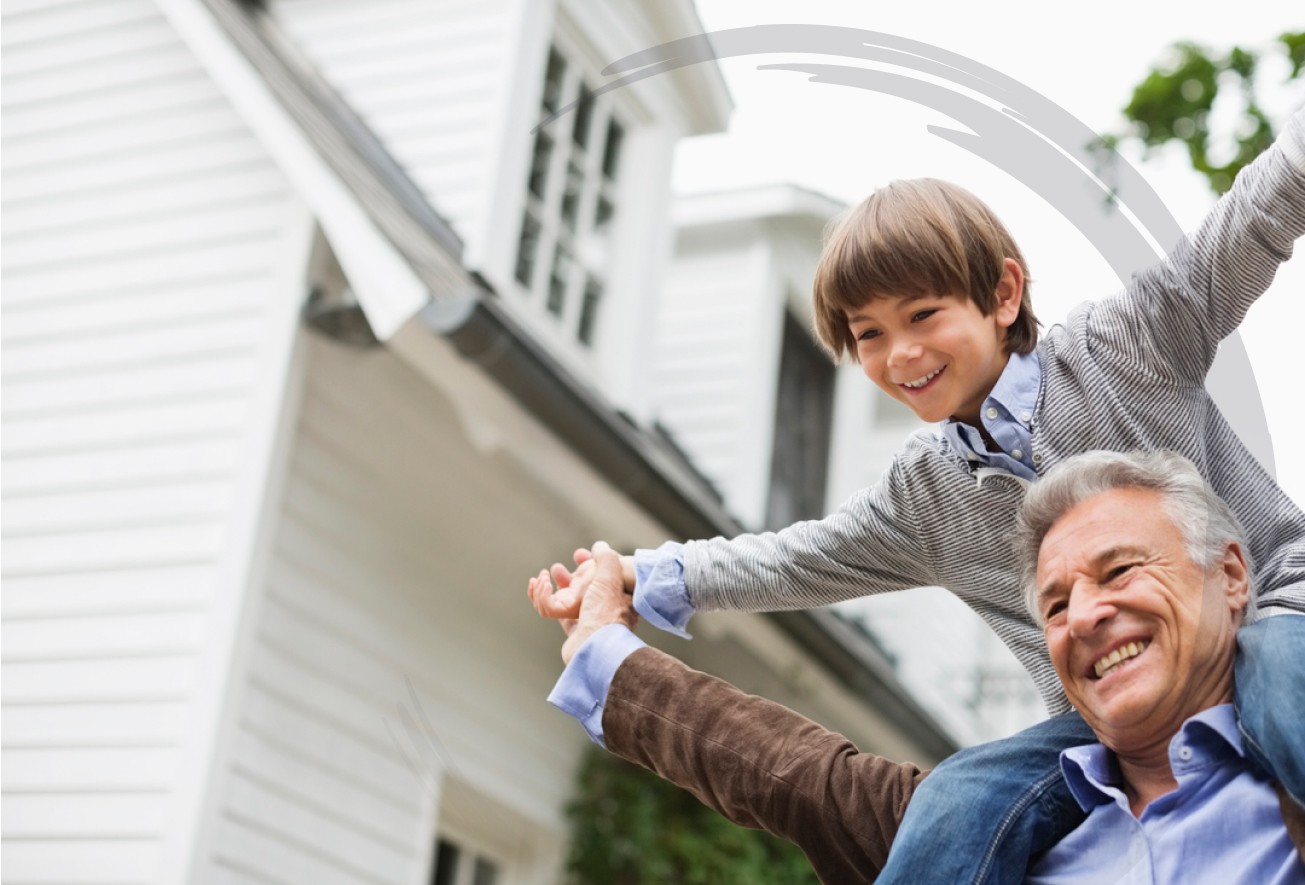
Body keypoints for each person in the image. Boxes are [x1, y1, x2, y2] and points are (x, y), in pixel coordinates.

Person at [532, 104, 1305, 883]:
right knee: (955, 798)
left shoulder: (1124, 348)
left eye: (923, 315)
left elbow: (1241, 230)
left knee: (1278, 693)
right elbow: (796, 559)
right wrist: (643, 576)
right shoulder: (923, 495)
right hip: (1098, 714)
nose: (899, 353)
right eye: (867, 334)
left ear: (1003, 295)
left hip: (1278, 610)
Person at [534, 450, 1305, 883]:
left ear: (1231, 575)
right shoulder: (986, 829)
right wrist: (601, 647)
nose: (1086, 615)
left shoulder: (1282, 772)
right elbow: (790, 772)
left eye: (1120, 570)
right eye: (1055, 603)